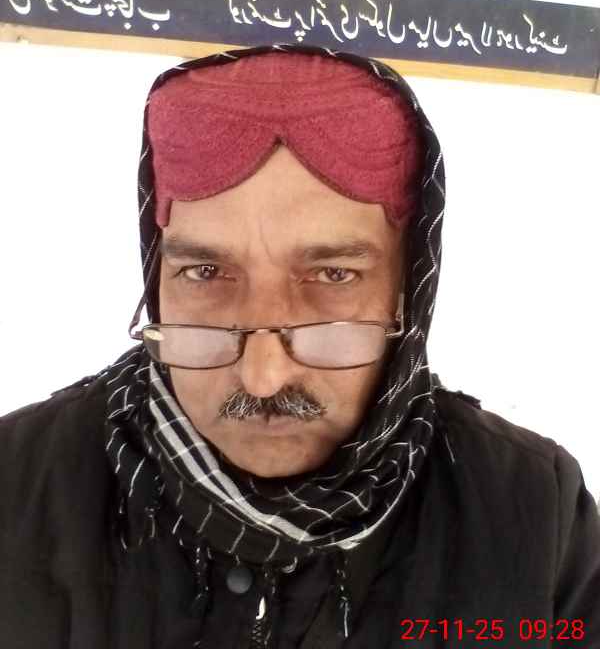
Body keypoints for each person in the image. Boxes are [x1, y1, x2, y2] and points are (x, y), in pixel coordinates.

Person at [0, 44, 598, 649]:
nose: (262, 376)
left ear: (409, 291)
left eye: (334, 276)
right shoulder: (15, 484)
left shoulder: (532, 517)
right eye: (205, 274)